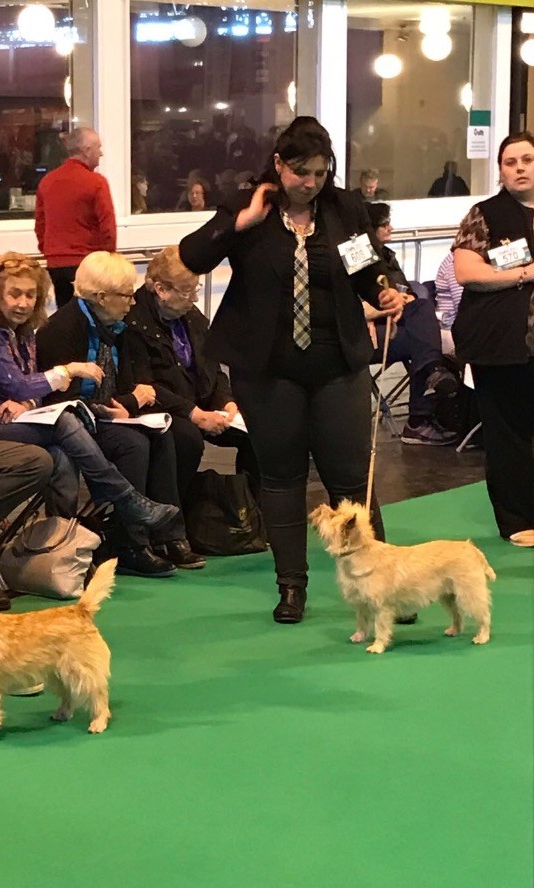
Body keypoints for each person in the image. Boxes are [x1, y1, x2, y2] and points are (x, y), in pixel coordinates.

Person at [179, 117, 405, 623]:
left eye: (322, 173)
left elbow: (366, 267)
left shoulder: (344, 208)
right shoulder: (248, 206)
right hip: (267, 369)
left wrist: (384, 289)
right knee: (282, 478)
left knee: (349, 478)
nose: (312, 183)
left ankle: (383, 586)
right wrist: (240, 223)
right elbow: (191, 257)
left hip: (336, 363)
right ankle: (291, 587)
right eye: (301, 172)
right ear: (278, 165)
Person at [0, 251, 181, 570]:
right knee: (66, 421)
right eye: (15, 294)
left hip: (21, 419)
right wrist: (67, 372)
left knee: (64, 457)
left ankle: (65, 551)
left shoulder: (25, 330)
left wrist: (27, 401)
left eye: (30, 295)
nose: (23, 303)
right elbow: (17, 383)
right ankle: (127, 502)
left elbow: (29, 391)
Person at [36, 251, 202, 574]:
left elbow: (126, 385)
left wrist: (126, 405)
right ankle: (130, 543)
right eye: (126, 295)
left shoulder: (116, 326)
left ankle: (167, 534)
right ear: (101, 297)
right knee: (133, 443)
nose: (131, 302)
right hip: (72, 420)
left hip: (103, 414)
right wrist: (119, 408)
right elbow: (61, 399)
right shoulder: (62, 329)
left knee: (161, 434)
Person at [123, 245, 260, 510]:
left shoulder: (190, 315)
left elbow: (214, 369)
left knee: (258, 432)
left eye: (196, 289)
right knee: (187, 438)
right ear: (161, 290)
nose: (195, 299)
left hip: (201, 402)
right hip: (164, 408)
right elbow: (146, 384)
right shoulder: (134, 321)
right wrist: (195, 414)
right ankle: (175, 517)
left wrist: (227, 402)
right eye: (188, 292)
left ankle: (251, 511)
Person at [451, 131, 534, 548]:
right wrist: (523, 274)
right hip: (500, 344)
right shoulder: (484, 215)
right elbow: (467, 272)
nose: (519, 168)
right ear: (500, 169)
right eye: (510, 162)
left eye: (527, 160)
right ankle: (517, 518)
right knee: (508, 434)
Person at [366, 203, 459, 445]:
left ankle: (432, 374)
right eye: (384, 224)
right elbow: (355, 308)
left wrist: (403, 300)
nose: (391, 227)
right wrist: (391, 305)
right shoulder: (355, 263)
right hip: (368, 338)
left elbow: (408, 293)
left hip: (397, 326)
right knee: (425, 342)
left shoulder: (388, 257)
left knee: (422, 325)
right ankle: (419, 418)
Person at [34, 128, 117, 308]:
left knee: (66, 315)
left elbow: (40, 225)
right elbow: (107, 227)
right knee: (93, 319)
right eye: (98, 148)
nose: (100, 153)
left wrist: (49, 249)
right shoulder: (96, 182)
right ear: (87, 150)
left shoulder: (47, 181)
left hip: (56, 263)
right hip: (88, 263)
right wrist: (110, 261)